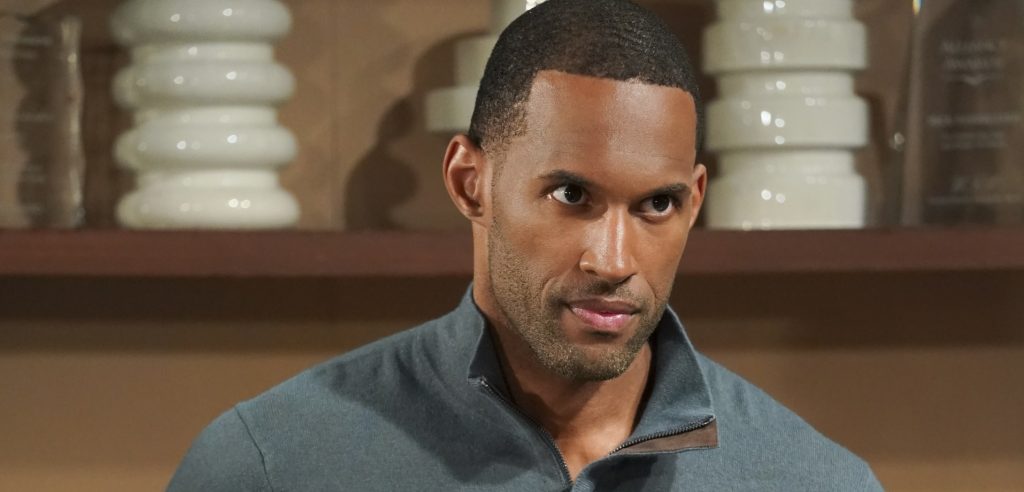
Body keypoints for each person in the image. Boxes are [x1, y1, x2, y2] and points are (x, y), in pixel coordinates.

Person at [169, 0, 883, 490]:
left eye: (656, 205)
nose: (613, 260)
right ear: (470, 182)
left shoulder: (816, 482)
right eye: (572, 195)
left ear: (694, 202)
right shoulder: (269, 467)